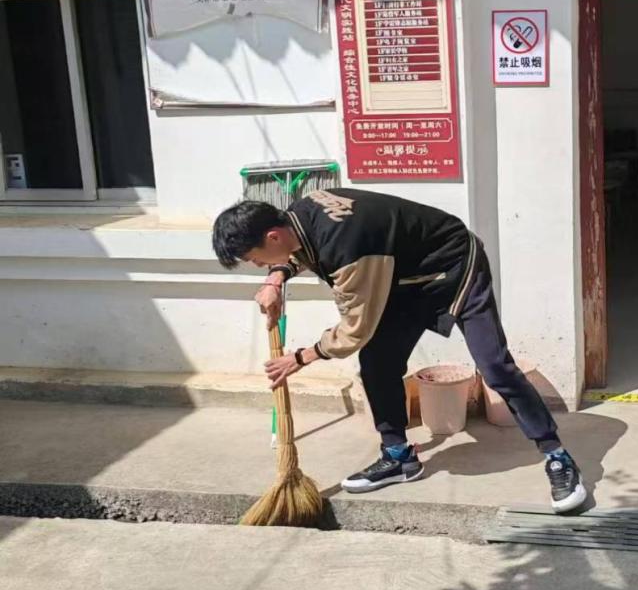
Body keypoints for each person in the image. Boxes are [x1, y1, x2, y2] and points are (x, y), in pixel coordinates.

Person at [212, 188, 587, 513]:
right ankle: (398, 457)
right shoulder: (300, 213)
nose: (257, 265)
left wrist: (300, 358)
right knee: (377, 363)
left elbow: (355, 330)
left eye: (255, 259)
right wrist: (276, 278)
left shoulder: (348, 249)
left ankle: (557, 456)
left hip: (456, 266)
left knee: (494, 366)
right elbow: (298, 251)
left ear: (272, 235)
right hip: (404, 279)